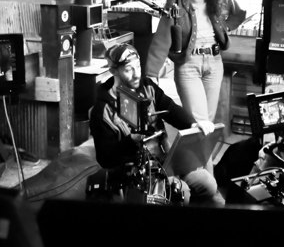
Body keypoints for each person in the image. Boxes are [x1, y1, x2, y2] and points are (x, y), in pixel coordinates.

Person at [89, 42, 225, 206]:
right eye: (128, 70)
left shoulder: (147, 87)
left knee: (209, 185)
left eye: (138, 67)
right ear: (113, 71)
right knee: (182, 193)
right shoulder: (102, 111)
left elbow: (170, 108)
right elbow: (105, 159)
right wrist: (130, 141)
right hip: (135, 173)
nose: (136, 74)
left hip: (166, 159)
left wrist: (193, 125)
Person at [145, 0, 246, 126]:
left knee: (208, 122)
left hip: (214, 63)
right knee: (199, 123)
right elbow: (163, 35)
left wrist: (225, 28)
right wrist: (151, 73)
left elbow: (239, 13)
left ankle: (203, 147)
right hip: (188, 64)